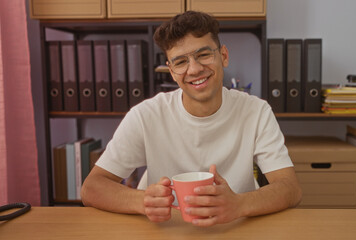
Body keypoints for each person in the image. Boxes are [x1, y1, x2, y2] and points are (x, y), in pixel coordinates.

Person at [81, 11, 302, 227]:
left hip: (235, 226)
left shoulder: (257, 111)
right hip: (166, 229)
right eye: (180, 62)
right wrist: (142, 201)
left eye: (204, 55)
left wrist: (239, 204)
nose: (194, 69)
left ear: (223, 56)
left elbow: (290, 188)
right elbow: (92, 187)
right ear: (171, 71)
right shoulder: (146, 115)